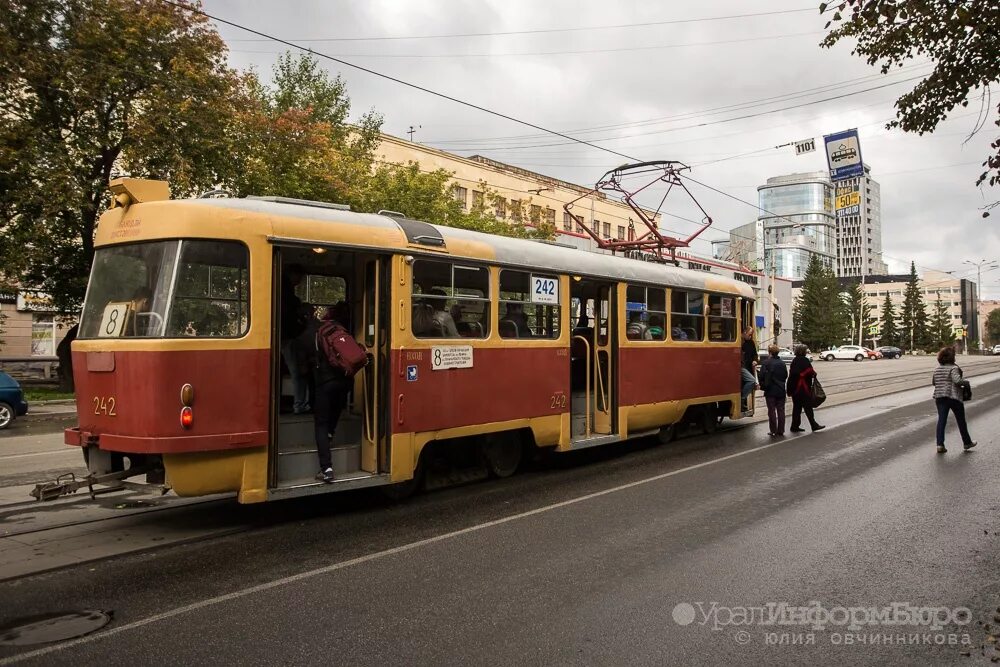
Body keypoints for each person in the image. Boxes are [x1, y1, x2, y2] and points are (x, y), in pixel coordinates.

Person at [312, 306, 354, 483]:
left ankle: (326, 468)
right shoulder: (344, 330)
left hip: (326, 382)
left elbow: (314, 356)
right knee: (336, 409)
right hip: (345, 381)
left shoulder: (320, 333)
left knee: (320, 423)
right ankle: (330, 433)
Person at [931, 346, 976, 453]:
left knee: (942, 421)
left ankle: (940, 445)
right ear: (952, 357)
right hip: (953, 397)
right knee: (961, 421)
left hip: (940, 397)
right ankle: (967, 442)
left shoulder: (937, 369)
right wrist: (966, 382)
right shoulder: (953, 368)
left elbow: (934, 382)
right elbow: (957, 381)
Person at [281, 264, 310, 414]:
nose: (300, 281)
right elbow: (290, 313)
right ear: (293, 275)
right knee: (298, 372)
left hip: (284, 335)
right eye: (299, 277)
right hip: (289, 336)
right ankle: (300, 405)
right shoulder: (286, 291)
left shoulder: (282, 287)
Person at [786, 345, 825, 433]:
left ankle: (794, 426)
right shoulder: (805, 360)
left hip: (794, 388)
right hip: (803, 388)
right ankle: (813, 425)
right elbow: (811, 372)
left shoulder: (794, 360)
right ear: (803, 351)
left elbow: (792, 374)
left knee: (797, 408)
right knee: (808, 407)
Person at [759, 344, 788, 436]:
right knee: (781, 410)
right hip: (781, 390)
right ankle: (781, 430)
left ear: (770, 352)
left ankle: (773, 430)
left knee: (771, 410)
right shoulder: (782, 363)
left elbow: (761, 376)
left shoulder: (766, 363)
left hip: (770, 390)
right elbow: (785, 376)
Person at [740, 327, 758, 410]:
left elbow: (755, 354)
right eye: (749, 334)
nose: (750, 337)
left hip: (748, 367)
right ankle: (742, 400)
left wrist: (754, 360)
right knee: (751, 380)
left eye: (751, 335)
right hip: (742, 366)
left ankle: (743, 401)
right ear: (744, 332)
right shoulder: (740, 341)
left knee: (749, 382)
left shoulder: (751, 342)